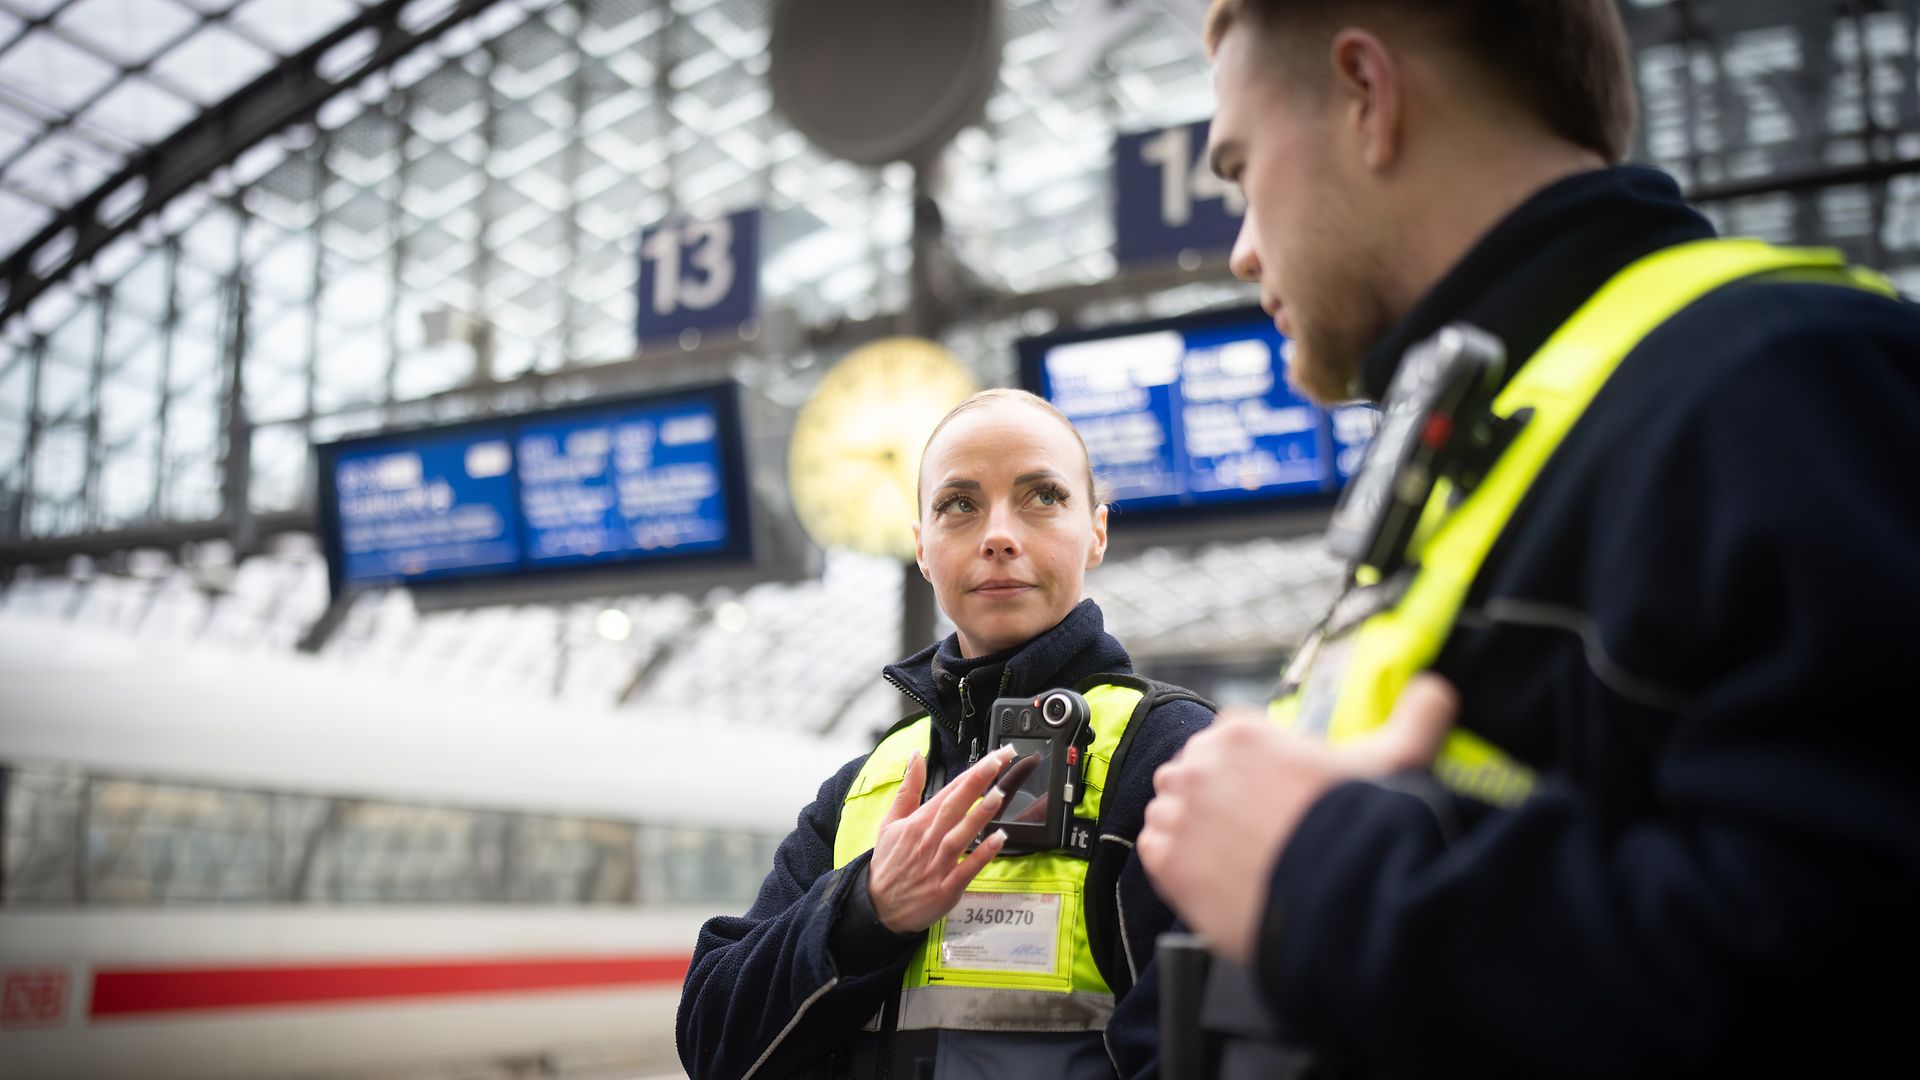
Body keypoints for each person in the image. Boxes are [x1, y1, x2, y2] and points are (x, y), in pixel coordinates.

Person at [1136, 0, 1920, 1075]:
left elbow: (1843, 949)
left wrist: (1328, 874)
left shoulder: (1787, 379)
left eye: (1238, 169)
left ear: (1369, 95)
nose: (1238, 251)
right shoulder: (1515, 434)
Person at [678, 389, 1214, 1079]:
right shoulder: (865, 782)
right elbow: (712, 1045)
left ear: (1097, 532)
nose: (998, 534)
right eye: (959, 504)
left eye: (1042, 496)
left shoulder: (1166, 752)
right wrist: (864, 910)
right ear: (923, 549)